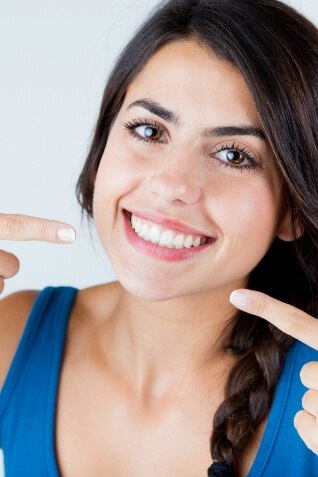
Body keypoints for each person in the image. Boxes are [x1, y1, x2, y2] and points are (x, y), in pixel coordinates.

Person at [1, 0, 318, 475]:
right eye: (149, 130)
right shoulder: (12, 335)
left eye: (234, 155)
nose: (173, 186)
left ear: (294, 208)